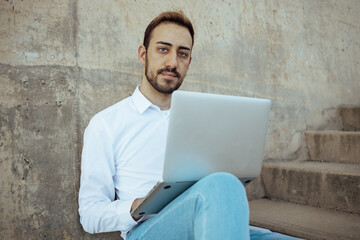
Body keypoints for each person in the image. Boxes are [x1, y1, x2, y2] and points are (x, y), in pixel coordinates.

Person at [78, 10, 302, 240]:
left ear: (189, 62)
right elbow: (90, 215)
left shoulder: (205, 117)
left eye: (182, 53)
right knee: (220, 185)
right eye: (163, 49)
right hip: (148, 231)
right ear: (143, 54)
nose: (172, 62)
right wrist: (140, 204)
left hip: (207, 217)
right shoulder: (105, 124)